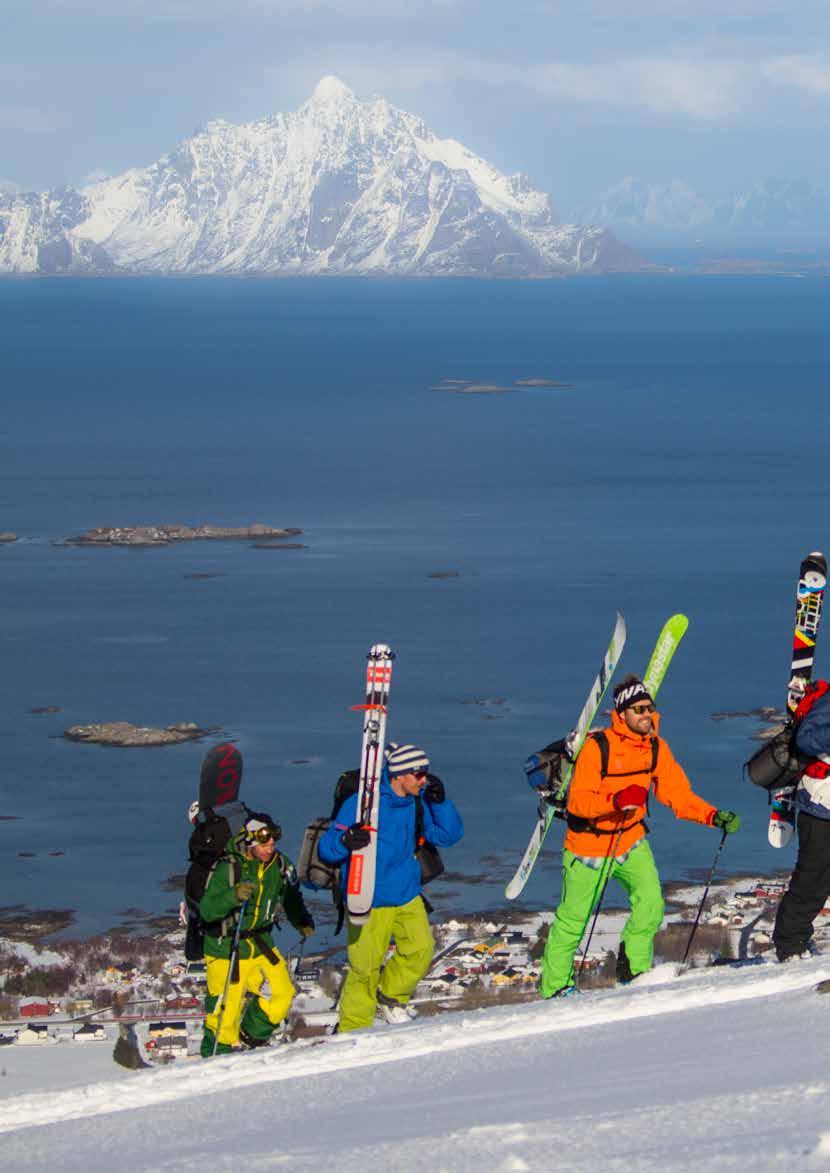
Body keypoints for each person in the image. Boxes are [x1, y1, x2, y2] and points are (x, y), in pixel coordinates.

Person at [540, 674, 741, 998]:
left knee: (651, 905)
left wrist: (711, 815)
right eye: (638, 709)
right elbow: (578, 802)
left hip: (631, 841)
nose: (646, 714)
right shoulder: (597, 748)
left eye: (649, 707)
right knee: (572, 921)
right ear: (621, 715)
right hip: (588, 847)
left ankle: (633, 970)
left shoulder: (655, 748)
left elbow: (677, 793)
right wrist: (616, 801)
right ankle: (554, 990)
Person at [318, 743, 463, 1031]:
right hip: (368, 898)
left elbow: (448, 835)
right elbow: (327, 850)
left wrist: (440, 802)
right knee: (364, 969)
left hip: (406, 894)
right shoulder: (362, 803)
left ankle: (390, 996)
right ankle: (352, 1029)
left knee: (421, 950)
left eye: (426, 773)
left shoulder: (417, 801)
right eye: (419, 774)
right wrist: (345, 841)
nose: (425, 780)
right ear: (399, 775)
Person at [199, 811, 314, 1055]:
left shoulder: (280, 866)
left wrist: (301, 920)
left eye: (272, 843)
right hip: (226, 946)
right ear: (250, 841)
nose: (269, 849)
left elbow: (290, 896)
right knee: (225, 1009)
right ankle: (216, 1055)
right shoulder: (228, 868)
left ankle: (251, 1037)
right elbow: (207, 911)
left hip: (260, 942)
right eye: (264, 844)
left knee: (282, 994)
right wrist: (233, 895)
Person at [773, 681, 830, 961]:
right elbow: (805, 740)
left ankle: (795, 940)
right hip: (819, 807)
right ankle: (790, 945)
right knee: (813, 879)